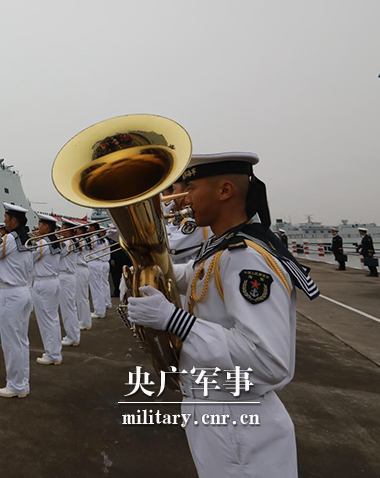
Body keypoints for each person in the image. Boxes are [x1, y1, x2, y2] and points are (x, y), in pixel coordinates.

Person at [128, 152, 319, 478]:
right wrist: (145, 268)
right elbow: (195, 275)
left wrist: (174, 320)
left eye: (191, 188)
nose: (183, 199)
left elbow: (269, 360)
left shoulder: (247, 259)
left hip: (238, 424)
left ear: (225, 190)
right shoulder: (223, 249)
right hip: (222, 412)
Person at [0, 203, 34, 398]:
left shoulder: (10, 238)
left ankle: (16, 384)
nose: (4, 222)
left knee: (11, 342)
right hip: (23, 291)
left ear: (14, 220)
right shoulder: (27, 239)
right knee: (21, 340)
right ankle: (22, 382)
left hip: (11, 295)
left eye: (6, 219)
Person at [31, 214, 63, 365]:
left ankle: (52, 354)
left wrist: (35, 241)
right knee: (53, 319)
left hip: (43, 283)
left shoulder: (43, 242)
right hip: (53, 281)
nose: (38, 228)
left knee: (46, 320)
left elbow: (30, 258)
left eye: (40, 225)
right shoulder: (55, 241)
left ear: (46, 227)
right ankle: (55, 352)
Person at [57, 219, 82, 348]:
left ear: (68, 230)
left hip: (65, 277)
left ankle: (72, 337)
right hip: (68, 276)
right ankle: (74, 335)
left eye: (62, 228)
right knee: (70, 307)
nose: (60, 230)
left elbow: (59, 255)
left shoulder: (68, 242)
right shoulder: (72, 241)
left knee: (67, 309)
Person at [74, 224, 93, 331]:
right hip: (82, 269)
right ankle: (85, 320)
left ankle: (84, 322)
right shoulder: (85, 240)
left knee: (81, 298)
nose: (76, 231)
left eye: (78, 230)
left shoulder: (80, 241)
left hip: (80, 269)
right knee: (82, 297)